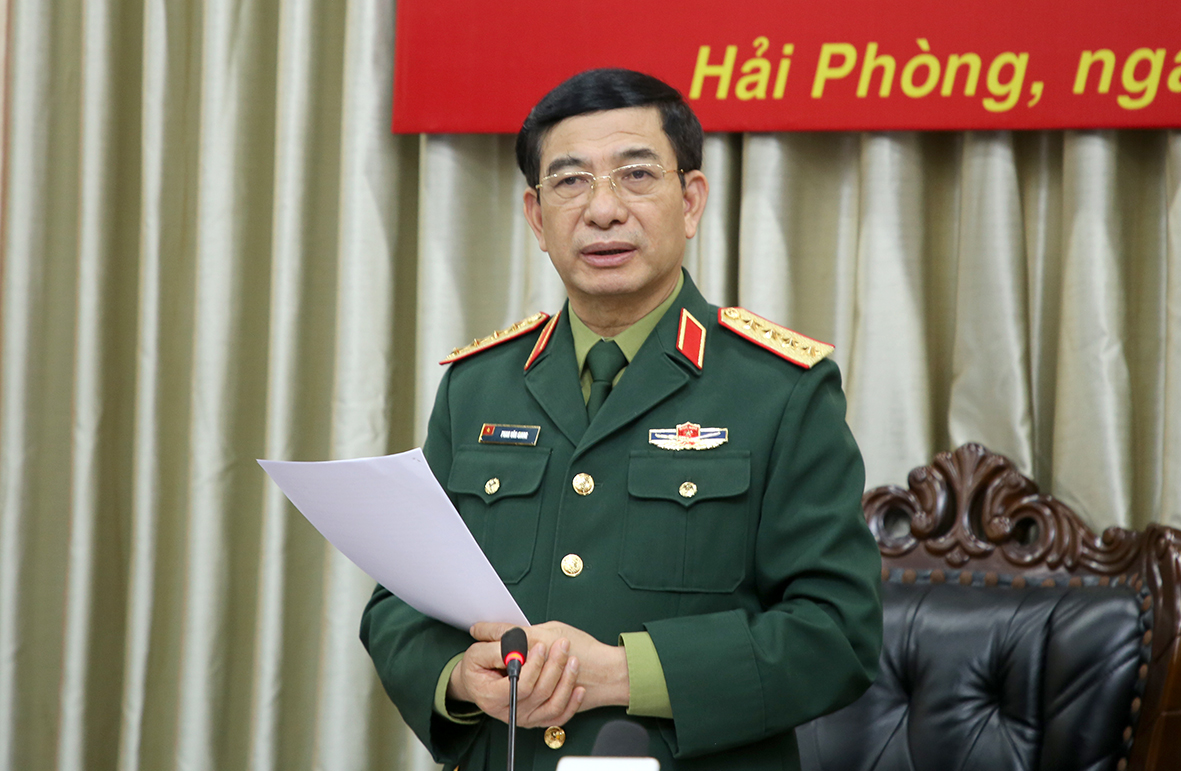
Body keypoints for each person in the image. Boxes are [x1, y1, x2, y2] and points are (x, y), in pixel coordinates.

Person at [360, 68, 882, 771]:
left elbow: (837, 633)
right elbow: (398, 600)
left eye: (636, 175)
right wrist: (459, 677)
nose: (602, 210)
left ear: (690, 202)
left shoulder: (780, 388)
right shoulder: (477, 386)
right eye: (570, 181)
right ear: (537, 217)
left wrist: (619, 673)